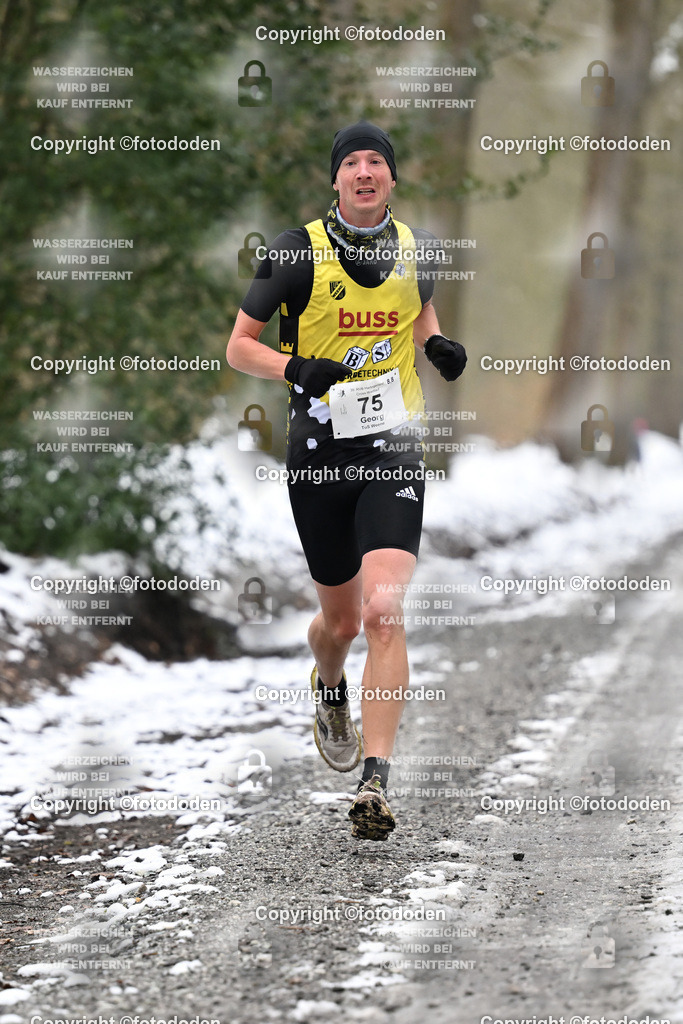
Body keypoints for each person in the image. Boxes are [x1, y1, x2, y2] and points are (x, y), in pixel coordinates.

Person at [226, 121, 466, 841]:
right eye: (351, 163)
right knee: (338, 624)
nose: (364, 172)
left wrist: (437, 345)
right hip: (320, 457)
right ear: (335, 180)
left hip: (392, 449)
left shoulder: (417, 250)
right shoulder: (292, 253)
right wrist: (295, 368)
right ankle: (328, 685)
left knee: (383, 612)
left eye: (377, 162)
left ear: (391, 178)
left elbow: (416, 315)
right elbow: (239, 346)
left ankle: (374, 781)